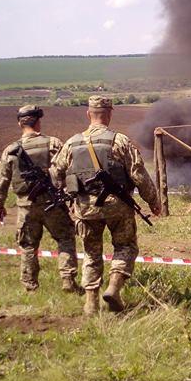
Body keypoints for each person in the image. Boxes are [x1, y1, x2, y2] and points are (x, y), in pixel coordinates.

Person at [52, 96, 161, 315]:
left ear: (88, 114)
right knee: (125, 247)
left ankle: (90, 303)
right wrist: (154, 202)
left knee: (91, 254)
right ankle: (113, 288)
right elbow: (139, 175)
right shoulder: (120, 141)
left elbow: (55, 172)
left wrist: (65, 193)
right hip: (117, 207)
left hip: (84, 209)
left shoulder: (72, 143)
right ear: (109, 114)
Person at [0, 105, 80, 294]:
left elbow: (2, 181)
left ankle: (30, 286)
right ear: (38, 121)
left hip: (26, 207)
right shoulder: (54, 144)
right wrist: (73, 198)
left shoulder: (10, 150)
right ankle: (68, 279)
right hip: (53, 204)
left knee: (28, 246)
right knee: (65, 238)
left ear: (20, 123)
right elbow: (70, 171)